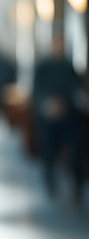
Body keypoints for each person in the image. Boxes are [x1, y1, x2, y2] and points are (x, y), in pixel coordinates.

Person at [32, 35, 85, 203]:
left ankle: (77, 185)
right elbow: (37, 91)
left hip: (68, 117)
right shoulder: (43, 66)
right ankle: (50, 182)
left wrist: (68, 103)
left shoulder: (69, 66)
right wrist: (47, 105)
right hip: (49, 119)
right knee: (48, 151)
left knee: (76, 151)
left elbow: (75, 89)